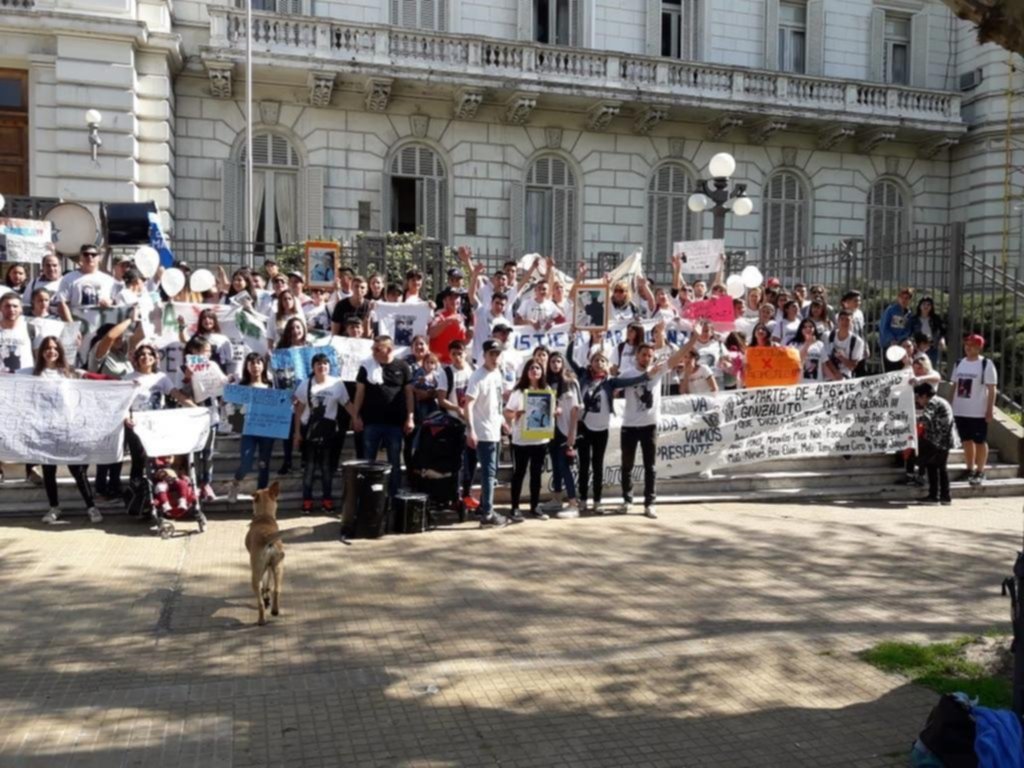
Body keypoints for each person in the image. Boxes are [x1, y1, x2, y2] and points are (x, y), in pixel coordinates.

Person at [29, 337, 103, 524]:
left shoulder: (69, 372)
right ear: (41, 352)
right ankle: (54, 508)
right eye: (47, 348)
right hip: (44, 429)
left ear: (60, 351)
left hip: (67, 428)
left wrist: (125, 383)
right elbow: (9, 376)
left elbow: (97, 379)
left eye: (55, 348)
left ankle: (91, 507)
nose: (51, 351)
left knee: (77, 469)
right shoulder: (32, 373)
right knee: (48, 470)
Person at [617, 342, 687, 518]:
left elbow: (677, 357)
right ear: (637, 356)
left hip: (650, 426)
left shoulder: (658, 371)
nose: (646, 358)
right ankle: (627, 500)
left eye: (650, 355)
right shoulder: (627, 374)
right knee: (627, 466)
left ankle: (650, 503)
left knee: (651, 467)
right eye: (643, 355)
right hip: (629, 426)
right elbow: (613, 389)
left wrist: (694, 337)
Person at [352, 335, 415, 500]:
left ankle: (393, 496)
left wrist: (410, 417)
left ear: (388, 349)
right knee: (368, 462)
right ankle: (367, 497)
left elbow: (409, 395)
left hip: (395, 423)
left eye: (377, 349)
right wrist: (355, 416)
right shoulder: (366, 367)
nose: (373, 351)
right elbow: (359, 393)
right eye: (373, 348)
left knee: (394, 462)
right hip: (371, 422)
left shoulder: (403, 366)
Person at [294, 352, 354, 513]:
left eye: (325, 363)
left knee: (327, 467)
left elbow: (347, 403)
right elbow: (298, 409)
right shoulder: (305, 384)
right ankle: (307, 500)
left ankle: (327, 500)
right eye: (318, 364)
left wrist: (356, 417)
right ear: (313, 367)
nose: (322, 366)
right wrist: (297, 432)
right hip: (310, 429)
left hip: (328, 430)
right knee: (310, 467)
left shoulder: (337, 384)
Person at [464, 340, 508, 527]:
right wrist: (471, 430)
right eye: (492, 354)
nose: (495, 357)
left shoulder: (497, 373)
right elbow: (468, 403)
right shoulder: (477, 376)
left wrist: (502, 420)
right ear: (484, 355)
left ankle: (484, 506)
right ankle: (488, 514)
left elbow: (496, 402)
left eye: (497, 354)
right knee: (489, 473)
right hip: (483, 431)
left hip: (494, 428)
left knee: (492, 471)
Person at [504, 359, 554, 522]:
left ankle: (534, 506)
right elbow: (507, 412)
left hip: (540, 439)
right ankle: (515, 508)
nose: (535, 370)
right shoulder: (519, 391)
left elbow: (551, 409)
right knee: (519, 474)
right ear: (526, 371)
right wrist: (517, 414)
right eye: (531, 367)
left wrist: (556, 411)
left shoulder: (546, 389)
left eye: (538, 368)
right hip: (521, 440)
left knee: (536, 475)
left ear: (542, 371)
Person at [228, 353, 277, 503]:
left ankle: (260, 497)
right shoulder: (241, 387)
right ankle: (235, 483)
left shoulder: (270, 386)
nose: (255, 366)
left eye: (258, 363)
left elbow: (278, 406)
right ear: (247, 367)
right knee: (246, 462)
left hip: (267, 430)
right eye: (252, 363)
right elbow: (233, 409)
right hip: (248, 430)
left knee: (264, 464)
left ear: (263, 366)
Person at [951, 333, 997, 486]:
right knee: (966, 440)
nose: (967, 347)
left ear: (979, 347)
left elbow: (992, 389)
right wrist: (951, 406)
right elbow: (954, 385)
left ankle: (980, 470)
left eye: (971, 345)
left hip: (977, 410)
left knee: (979, 441)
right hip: (960, 409)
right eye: (966, 345)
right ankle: (969, 468)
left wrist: (989, 410)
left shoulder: (986, 364)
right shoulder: (959, 363)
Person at [542, 351, 580, 518]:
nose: (555, 364)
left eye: (558, 361)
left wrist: (572, 433)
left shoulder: (571, 382)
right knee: (556, 466)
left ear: (563, 363)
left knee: (565, 467)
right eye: (552, 362)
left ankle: (573, 503)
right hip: (551, 430)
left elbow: (575, 409)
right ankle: (557, 497)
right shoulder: (547, 382)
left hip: (566, 430)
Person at [915, 382, 954, 505]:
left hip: (937, 440)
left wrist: (911, 420)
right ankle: (945, 496)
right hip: (945, 440)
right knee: (941, 468)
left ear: (925, 395)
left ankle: (933, 496)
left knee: (932, 466)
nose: (918, 400)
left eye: (919, 397)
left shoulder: (932, 402)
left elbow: (926, 418)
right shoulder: (940, 400)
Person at [56, 244, 116, 310]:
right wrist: (71, 320)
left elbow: (117, 301)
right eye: (86, 254)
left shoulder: (108, 280)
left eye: (93, 255)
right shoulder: (68, 278)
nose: (90, 257)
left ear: (99, 258)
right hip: (76, 319)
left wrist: (110, 302)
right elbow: (62, 304)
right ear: (80, 257)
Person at [428, 288, 469, 364]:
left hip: (455, 363)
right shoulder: (438, 315)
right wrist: (448, 320)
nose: (454, 301)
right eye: (451, 298)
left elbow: (463, 342)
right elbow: (431, 334)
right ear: (445, 300)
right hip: (438, 363)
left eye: (457, 297)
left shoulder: (462, 318)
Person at [822, 310, 866, 381]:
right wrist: (836, 374)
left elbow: (852, 366)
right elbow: (825, 359)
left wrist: (842, 358)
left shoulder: (857, 342)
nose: (844, 322)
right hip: (827, 375)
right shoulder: (827, 336)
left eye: (847, 320)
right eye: (842, 319)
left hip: (844, 377)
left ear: (852, 322)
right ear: (837, 321)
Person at [880, 287, 915, 371]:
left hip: (901, 346)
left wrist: (900, 339)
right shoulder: (890, 310)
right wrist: (891, 339)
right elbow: (884, 327)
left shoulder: (909, 314)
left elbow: (908, 330)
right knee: (889, 371)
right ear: (898, 298)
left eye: (907, 298)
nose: (904, 300)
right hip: (889, 345)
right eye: (902, 298)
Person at [0, 292, 33, 374]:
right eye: (7, 306)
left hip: (24, 380)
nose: (11, 309)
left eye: (15, 306)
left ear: (21, 309)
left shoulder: (31, 328)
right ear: (1, 308)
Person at [911, 296, 945, 369]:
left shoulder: (936, 319)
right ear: (919, 306)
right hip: (917, 348)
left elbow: (942, 331)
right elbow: (909, 333)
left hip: (932, 347)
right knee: (917, 368)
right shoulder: (913, 319)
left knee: (931, 368)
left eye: (928, 304)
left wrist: (942, 339)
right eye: (924, 304)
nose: (926, 306)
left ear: (931, 307)